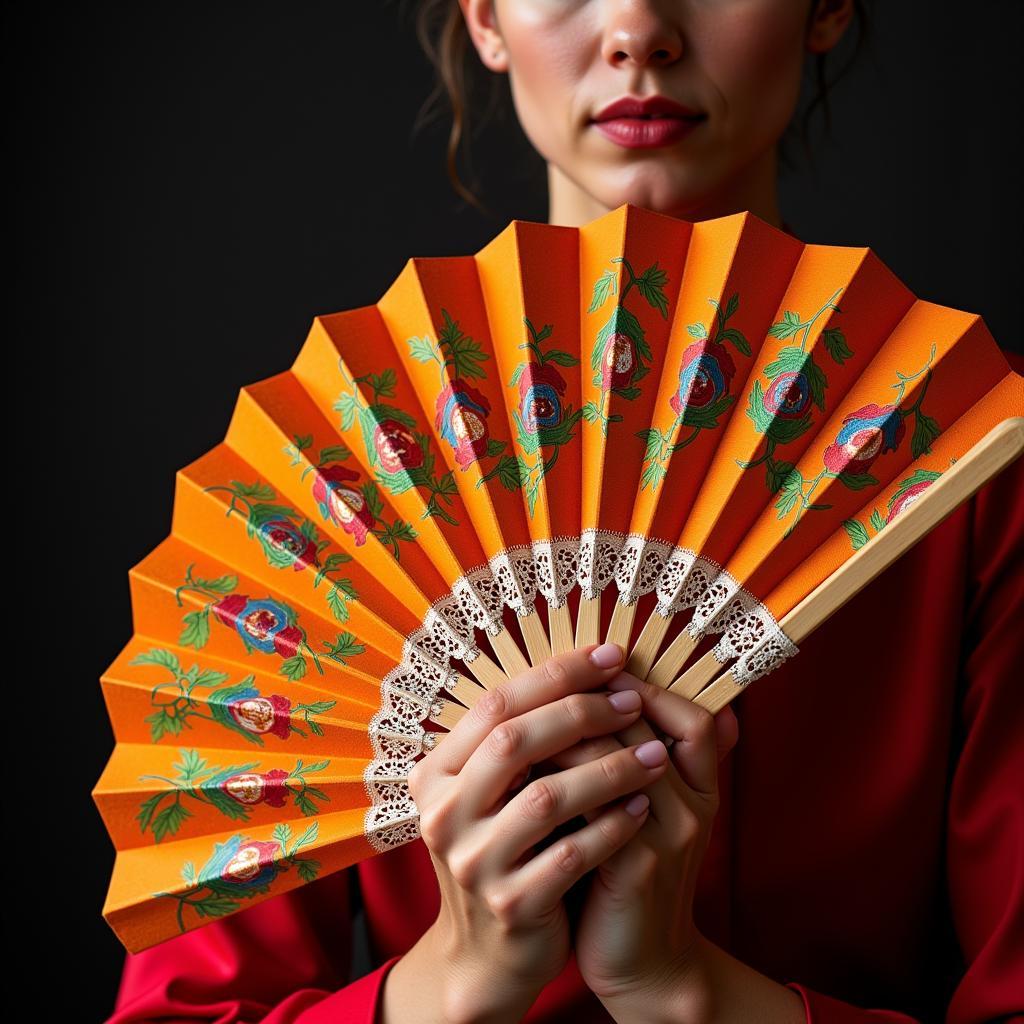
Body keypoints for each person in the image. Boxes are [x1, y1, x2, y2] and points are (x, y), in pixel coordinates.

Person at [105, 1, 1024, 1021]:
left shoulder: (978, 459)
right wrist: (454, 980)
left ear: (826, 9)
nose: (638, 30)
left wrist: (685, 993)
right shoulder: (318, 488)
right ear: (486, 19)